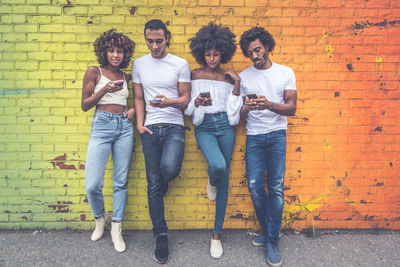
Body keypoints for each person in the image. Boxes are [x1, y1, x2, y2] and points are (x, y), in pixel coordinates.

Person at [132, 19, 191, 264]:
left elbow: (186, 98)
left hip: (175, 126)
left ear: (167, 38)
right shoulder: (139, 64)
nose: (154, 46)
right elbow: (138, 97)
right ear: (145, 39)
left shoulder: (180, 64)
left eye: (159, 41)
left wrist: (168, 102)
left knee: (170, 169)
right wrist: (139, 124)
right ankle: (161, 234)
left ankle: (162, 184)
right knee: (152, 184)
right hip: (150, 129)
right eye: (150, 41)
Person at [238, 27, 297, 267]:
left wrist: (269, 104)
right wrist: (246, 109)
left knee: (275, 188)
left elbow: (292, 108)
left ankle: (271, 240)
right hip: (254, 136)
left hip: (276, 136)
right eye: (250, 52)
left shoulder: (285, 72)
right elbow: (240, 114)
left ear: (267, 46)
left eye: (258, 49)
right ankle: (270, 231)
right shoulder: (244, 76)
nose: (255, 55)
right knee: (254, 187)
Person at [185, 22, 241, 259]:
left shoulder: (228, 77)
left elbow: (235, 114)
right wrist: (197, 102)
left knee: (226, 179)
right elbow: (187, 109)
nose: (212, 58)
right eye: (207, 54)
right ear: (201, 53)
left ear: (223, 52)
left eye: (216, 53)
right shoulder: (194, 75)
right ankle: (212, 177)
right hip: (205, 127)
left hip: (226, 126)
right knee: (218, 166)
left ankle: (216, 235)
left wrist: (237, 85)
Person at [81, 29, 135, 253]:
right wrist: (104, 89)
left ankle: (116, 227)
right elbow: (85, 105)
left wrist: (131, 109)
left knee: (120, 181)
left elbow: (140, 97)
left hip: (124, 126)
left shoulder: (125, 76)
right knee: (92, 184)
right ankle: (100, 218)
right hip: (102, 126)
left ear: (125, 54)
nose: (116, 55)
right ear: (104, 51)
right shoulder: (95, 71)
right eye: (111, 50)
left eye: (120, 51)